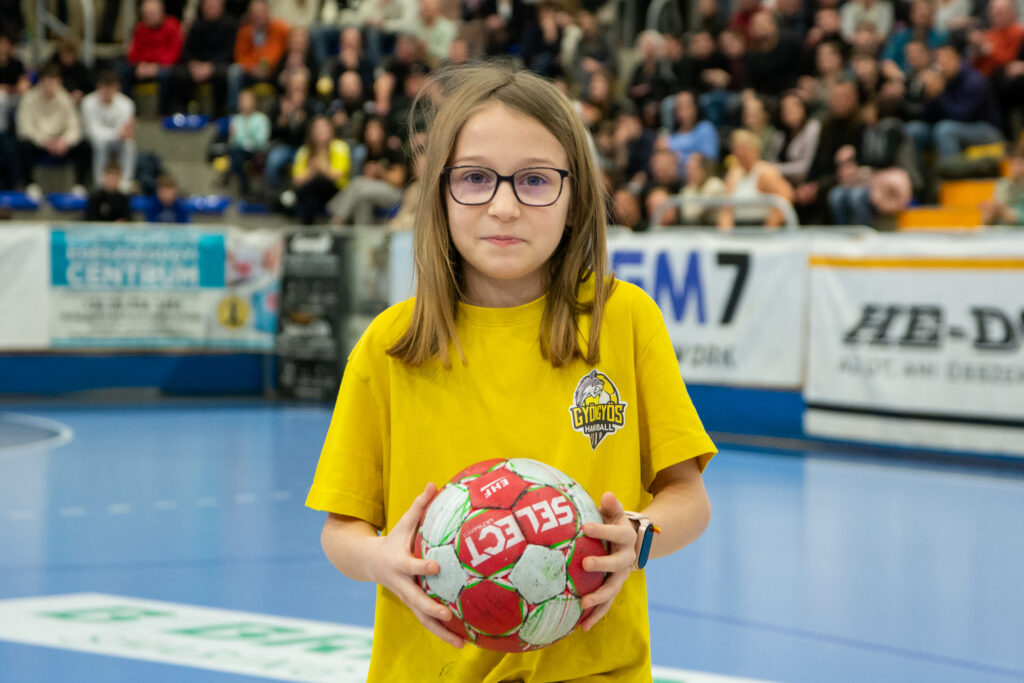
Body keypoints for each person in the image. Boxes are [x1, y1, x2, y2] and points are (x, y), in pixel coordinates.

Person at [307, 64, 715, 681]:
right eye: (475, 178)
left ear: (574, 197)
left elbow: (689, 498)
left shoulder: (623, 319)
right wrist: (378, 559)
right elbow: (342, 530)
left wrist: (640, 537)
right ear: (440, 194)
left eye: (534, 180)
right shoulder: (390, 345)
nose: (504, 206)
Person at [16, 65, 91, 200]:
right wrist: (44, 141)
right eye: (47, 81)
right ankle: (30, 185)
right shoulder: (29, 98)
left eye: (53, 81)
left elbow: (74, 127)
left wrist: (65, 141)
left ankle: (79, 185)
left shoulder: (65, 98)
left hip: (61, 144)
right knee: (24, 146)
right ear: (41, 81)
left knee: (85, 146)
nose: (50, 85)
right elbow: (25, 128)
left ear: (59, 82)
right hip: (39, 144)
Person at [718, 128, 795, 229]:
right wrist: (725, 232)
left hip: (760, 227)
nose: (738, 153)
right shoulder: (733, 174)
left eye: (742, 148)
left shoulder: (765, 171)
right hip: (738, 228)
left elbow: (786, 195)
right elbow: (726, 208)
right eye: (735, 149)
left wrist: (770, 227)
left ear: (753, 149)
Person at [174, 0, 237, 117]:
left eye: (213, 6)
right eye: (208, 6)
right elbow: (187, 50)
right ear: (202, 8)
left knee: (223, 74)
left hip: (218, 64)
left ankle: (218, 113)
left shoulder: (230, 25)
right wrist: (193, 64)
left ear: (222, 7)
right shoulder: (196, 25)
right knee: (178, 74)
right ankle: (185, 112)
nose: (210, 9)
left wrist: (210, 66)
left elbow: (230, 53)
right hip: (197, 65)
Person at [121, 0, 182, 116]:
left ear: (161, 12)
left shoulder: (172, 25)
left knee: (168, 75)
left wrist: (156, 66)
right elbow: (133, 53)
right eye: (146, 14)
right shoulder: (140, 28)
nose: (148, 17)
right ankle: (129, 111)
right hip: (144, 66)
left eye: (152, 13)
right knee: (124, 71)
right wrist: (140, 65)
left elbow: (174, 52)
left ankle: (164, 112)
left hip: (164, 66)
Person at [228, 0, 291, 112]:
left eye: (261, 12)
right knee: (234, 71)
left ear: (268, 12)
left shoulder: (281, 29)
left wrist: (268, 65)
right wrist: (252, 68)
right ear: (250, 14)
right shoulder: (244, 32)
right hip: (250, 73)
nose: (258, 16)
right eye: (255, 13)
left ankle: (279, 112)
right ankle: (233, 111)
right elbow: (240, 56)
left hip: (274, 72)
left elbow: (282, 50)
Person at [80, 71, 136, 191]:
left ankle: (125, 182)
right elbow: (93, 131)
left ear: (117, 88)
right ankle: (100, 182)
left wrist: (118, 134)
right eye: (104, 87)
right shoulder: (88, 102)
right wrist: (116, 134)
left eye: (111, 88)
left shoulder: (127, 104)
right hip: (93, 140)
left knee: (129, 144)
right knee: (100, 144)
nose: (107, 92)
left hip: (116, 141)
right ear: (99, 87)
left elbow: (124, 131)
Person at [288, 115, 350, 223]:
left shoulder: (340, 147)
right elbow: (296, 180)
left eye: (324, 127)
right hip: (310, 192)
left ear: (331, 130)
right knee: (312, 193)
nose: (321, 130)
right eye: (317, 128)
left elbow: (338, 176)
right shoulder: (304, 151)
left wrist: (321, 167)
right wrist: (312, 171)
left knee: (319, 182)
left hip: (335, 191)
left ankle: (291, 202)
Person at [228, 89, 271, 198]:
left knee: (238, 155)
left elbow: (261, 140)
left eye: (248, 99)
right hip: (240, 152)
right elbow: (233, 142)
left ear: (254, 101)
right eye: (242, 100)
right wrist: (244, 139)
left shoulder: (262, 119)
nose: (245, 103)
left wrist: (242, 139)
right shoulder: (236, 119)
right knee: (235, 154)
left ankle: (248, 188)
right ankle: (244, 188)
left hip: (258, 152)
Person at [980, 143, 1024, 226]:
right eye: (1013, 164)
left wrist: (1010, 215)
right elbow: (989, 222)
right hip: (1002, 231)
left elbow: (1011, 216)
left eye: (1019, 164)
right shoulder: (1002, 184)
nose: (1016, 168)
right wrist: (989, 215)